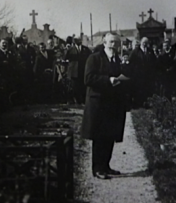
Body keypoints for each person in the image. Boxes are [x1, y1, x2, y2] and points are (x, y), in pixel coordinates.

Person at [81, 33, 130, 179]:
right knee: (99, 136)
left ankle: (106, 166)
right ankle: (97, 169)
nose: (114, 45)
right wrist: (108, 80)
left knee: (109, 135)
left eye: (116, 42)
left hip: (112, 104)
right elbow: (88, 78)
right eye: (111, 42)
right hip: (98, 103)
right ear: (104, 43)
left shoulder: (116, 60)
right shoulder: (94, 58)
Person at [128, 37, 156, 107]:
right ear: (141, 42)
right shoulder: (135, 51)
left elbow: (154, 61)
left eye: (146, 43)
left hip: (148, 75)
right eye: (143, 42)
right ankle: (139, 103)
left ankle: (147, 103)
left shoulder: (150, 51)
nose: (145, 44)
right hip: (138, 75)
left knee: (147, 89)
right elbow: (130, 62)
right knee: (139, 89)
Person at [64, 36, 92, 105]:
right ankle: (74, 100)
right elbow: (65, 57)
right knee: (74, 86)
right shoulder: (70, 49)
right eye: (76, 40)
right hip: (74, 71)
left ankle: (81, 100)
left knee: (82, 86)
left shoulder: (86, 49)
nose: (78, 41)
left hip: (82, 70)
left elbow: (90, 57)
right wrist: (66, 50)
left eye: (79, 40)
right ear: (74, 41)